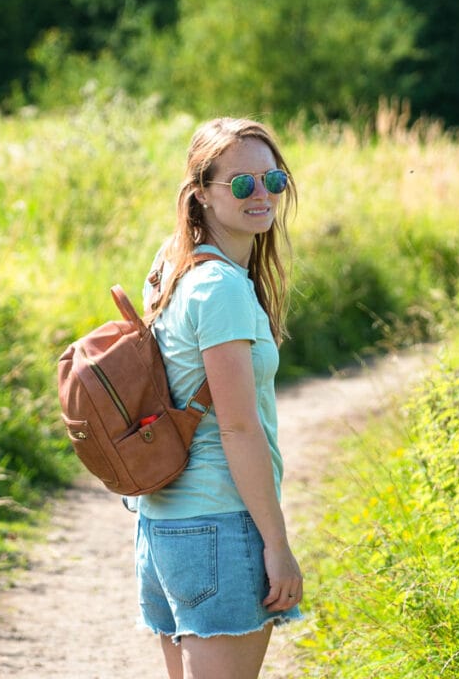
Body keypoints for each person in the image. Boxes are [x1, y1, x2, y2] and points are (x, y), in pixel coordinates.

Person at [134, 116, 303, 679]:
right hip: (219, 523)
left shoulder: (170, 266)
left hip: (163, 526)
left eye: (272, 180)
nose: (262, 195)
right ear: (201, 194)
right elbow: (238, 428)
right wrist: (276, 546)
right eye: (241, 184)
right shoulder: (221, 289)